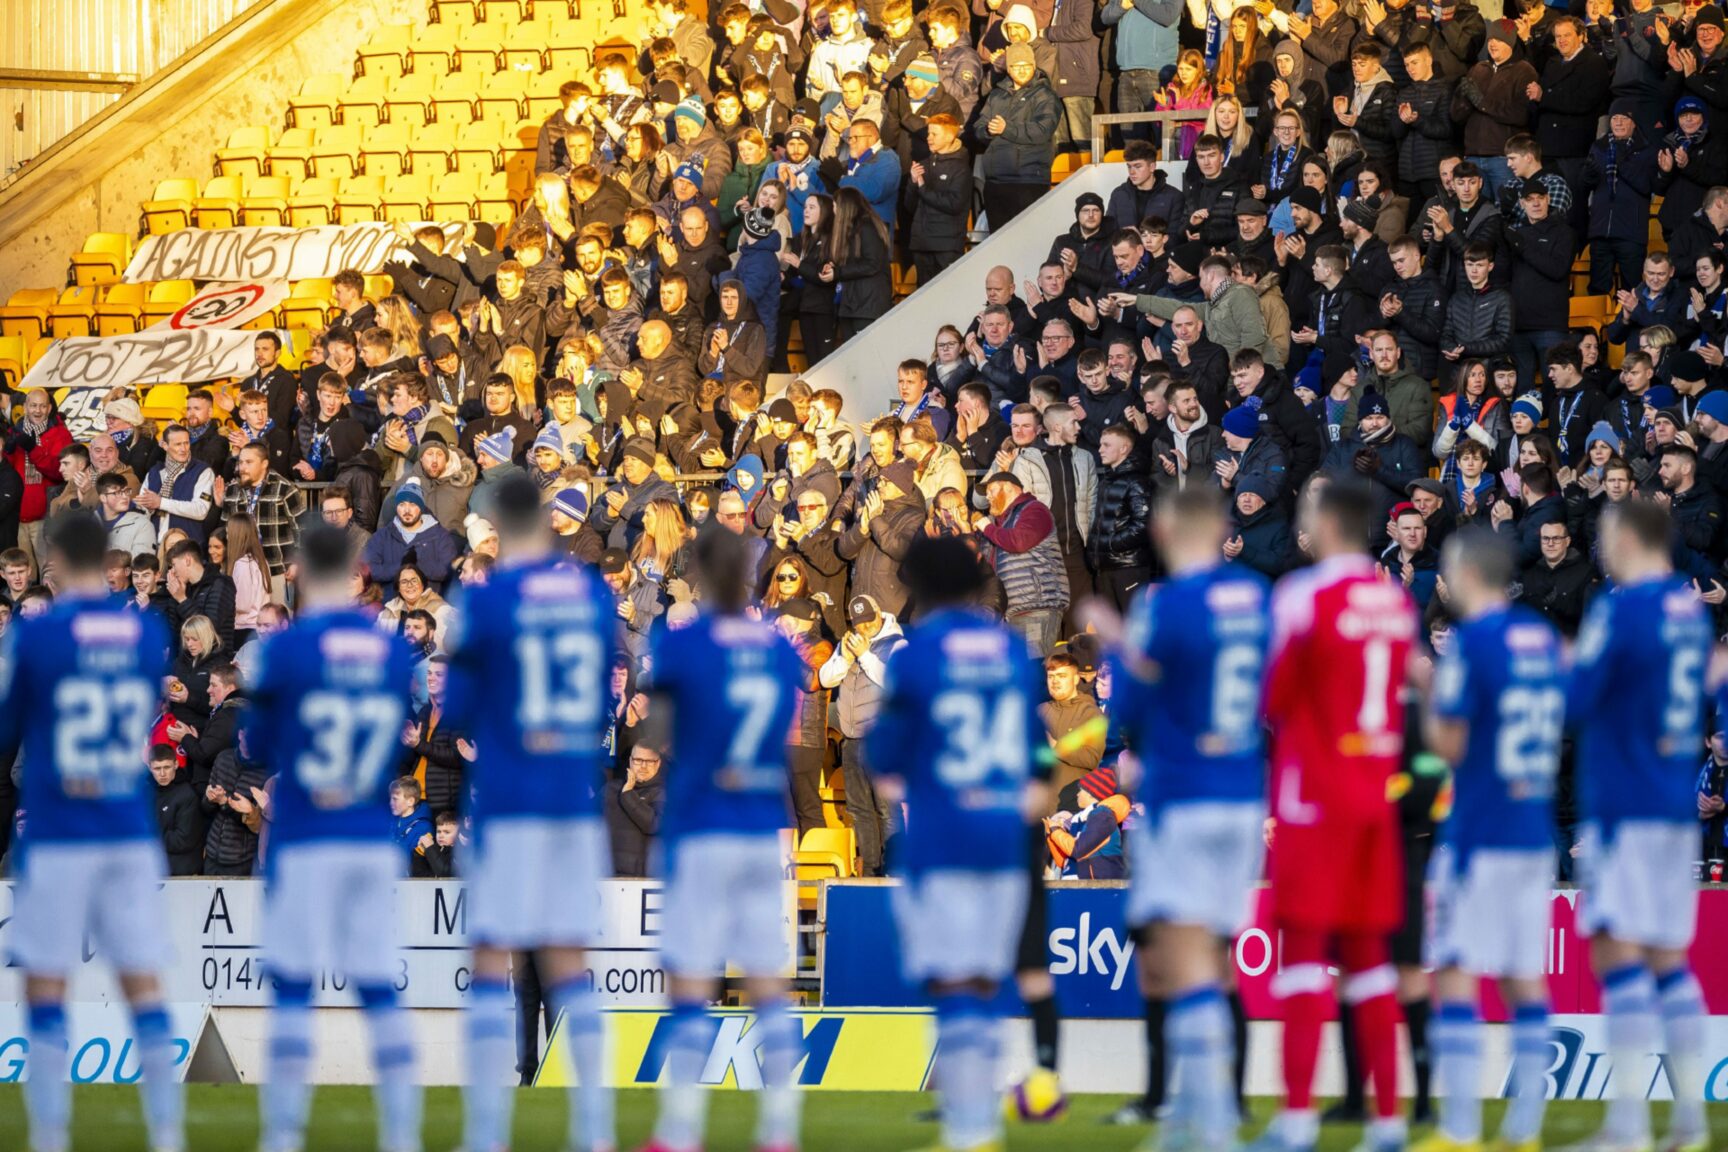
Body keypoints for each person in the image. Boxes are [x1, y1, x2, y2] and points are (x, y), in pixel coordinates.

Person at [440, 473, 616, 1152]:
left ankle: (487, 1128)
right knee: (569, 961)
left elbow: (456, 709)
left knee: (493, 956)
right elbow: (603, 684)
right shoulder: (588, 596)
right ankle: (594, 1124)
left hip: (510, 799)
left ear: (494, 527)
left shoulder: (488, 601)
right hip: (570, 801)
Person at [0, 513, 183, 1152]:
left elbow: (6, 728)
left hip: (54, 827)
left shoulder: (40, 636)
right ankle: (165, 1130)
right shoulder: (141, 632)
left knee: (45, 979)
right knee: (143, 979)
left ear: (52, 561)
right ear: (104, 558)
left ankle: (50, 1132)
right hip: (126, 825)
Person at [865, 535, 1045, 1152]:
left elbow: (884, 754)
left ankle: (969, 1126)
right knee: (987, 978)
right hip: (1001, 834)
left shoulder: (915, 657)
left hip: (942, 836)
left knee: (951, 978)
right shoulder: (1013, 653)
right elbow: (1033, 752)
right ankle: (980, 1117)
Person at [1253, 481, 1418, 1152]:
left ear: (1325, 525)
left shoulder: (1303, 596)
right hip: (1374, 797)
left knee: (1302, 959)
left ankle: (1296, 1118)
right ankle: (1386, 1122)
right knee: (1370, 961)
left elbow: (1273, 696)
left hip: (1313, 798)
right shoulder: (1395, 602)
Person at [246, 524, 419, 1152]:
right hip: (370, 833)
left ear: (297, 570)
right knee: (376, 982)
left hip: (304, 833)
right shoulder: (392, 652)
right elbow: (400, 730)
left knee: (293, 983)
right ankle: (401, 1131)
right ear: (351, 570)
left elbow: (258, 745)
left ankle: (285, 1130)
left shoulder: (287, 652)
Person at [1103, 486, 1267, 1143]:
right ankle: (1210, 1103)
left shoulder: (1164, 604)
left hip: (1184, 797)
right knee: (1214, 958)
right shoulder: (1257, 600)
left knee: (1179, 955)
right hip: (1242, 795)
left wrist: (1117, 647)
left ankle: (1206, 1119)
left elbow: (1134, 705)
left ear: (1167, 532)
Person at [639, 528, 805, 1152]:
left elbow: (659, 731)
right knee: (767, 978)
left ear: (701, 575)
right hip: (761, 823)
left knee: (687, 977)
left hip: (702, 822)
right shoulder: (775, 646)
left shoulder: (687, 647)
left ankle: (680, 1129)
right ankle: (780, 1128)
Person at [1564, 499, 1712, 1152]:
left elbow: (1577, 697)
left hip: (1623, 803)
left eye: (1605, 538)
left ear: (1627, 538)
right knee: (1667, 960)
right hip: (1673, 804)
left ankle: (1626, 1128)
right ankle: (1690, 1118)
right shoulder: (1690, 613)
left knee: (1616, 952)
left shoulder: (1622, 608)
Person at [1419, 527, 1563, 1152]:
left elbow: (1449, 743)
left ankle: (1459, 1129)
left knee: (1452, 969)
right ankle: (1525, 1127)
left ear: (1464, 574)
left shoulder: (1473, 645)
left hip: (1478, 831)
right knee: (1523, 975)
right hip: (1533, 828)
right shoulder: (1542, 639)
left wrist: (1425, 692)